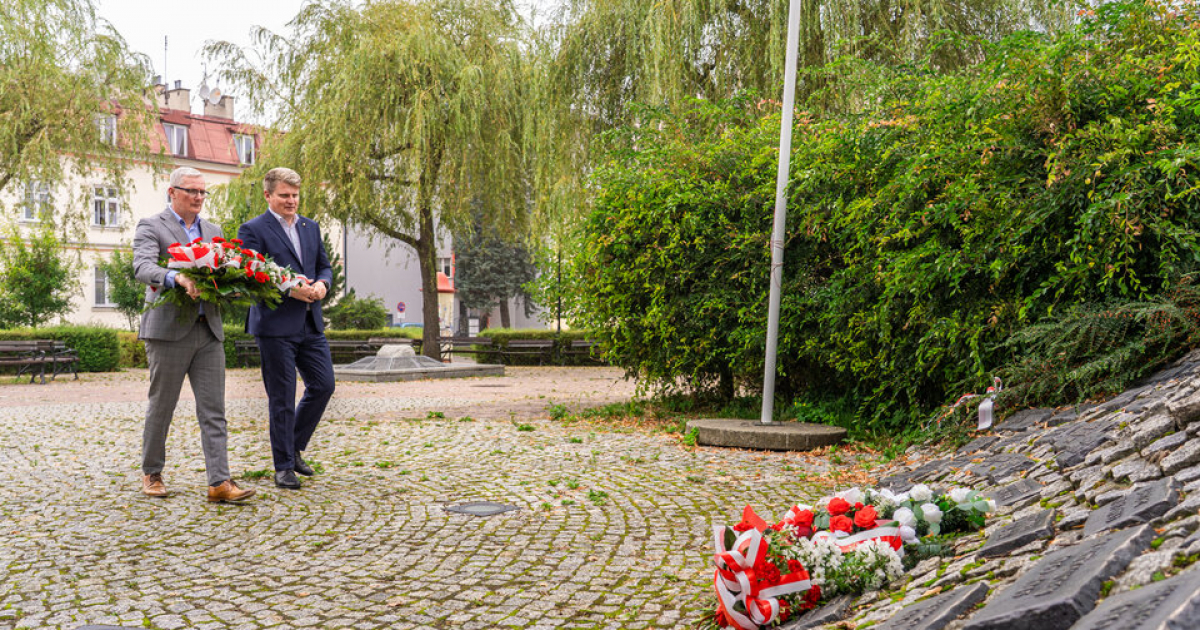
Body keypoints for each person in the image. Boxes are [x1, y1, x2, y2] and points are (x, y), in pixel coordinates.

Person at [132, 167, 256, 503]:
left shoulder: (213, 230)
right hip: (167, 331)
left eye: (203, 192)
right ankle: (152, 473)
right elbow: (142, 267)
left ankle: (219, 482)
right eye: (192, 191)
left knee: (214, 410)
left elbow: (222, 272)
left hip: (208, 329)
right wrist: (177, 278)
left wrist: (234, 284)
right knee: (162, 406)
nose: (199, 197)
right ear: (172, 192)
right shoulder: (152, 225)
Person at [238, 167, 335, 490]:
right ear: (268, 195)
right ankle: (283, 466)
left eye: (295, 195)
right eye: (284, 195)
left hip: (310, 321)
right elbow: (250, 274)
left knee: (323, 385)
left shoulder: (311, 227)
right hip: (275, 324)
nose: (291, 200)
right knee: (281, 397)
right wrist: (290, 290)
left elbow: (324, 266)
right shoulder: (253, 229)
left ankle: (292, 447)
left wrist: (322, 284)